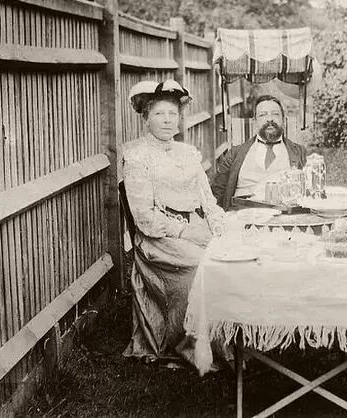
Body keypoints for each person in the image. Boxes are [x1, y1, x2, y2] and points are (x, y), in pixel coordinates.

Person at [121, 79, 225, 365]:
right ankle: (192, 345)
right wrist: (188, 232)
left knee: (231, 255)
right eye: (159, 114)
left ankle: (231, 341)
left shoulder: (187, 153)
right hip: (158, 239)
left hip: (195, 228)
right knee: (203, 264)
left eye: (172, 114)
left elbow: (207, 199)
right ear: (145, 118)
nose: (167, 120)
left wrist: (219, 226)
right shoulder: (137, 157)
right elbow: (144, 217)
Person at [211, 95, 307, 209]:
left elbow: (310, 193)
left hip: (283, 219)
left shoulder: (299, 153)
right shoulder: (235, 154)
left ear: (283, 119)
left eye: (275, 114)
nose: (269, 119)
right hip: (241, 218)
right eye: (263, 115)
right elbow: (217, 193)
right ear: (254, 121)